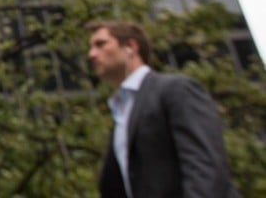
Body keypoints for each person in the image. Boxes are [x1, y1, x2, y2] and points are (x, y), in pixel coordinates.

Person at [86, 19, 239, 198]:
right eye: (91, 47)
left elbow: (205, 166)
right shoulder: (120, 113)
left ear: (131, 46)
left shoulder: (176, 89)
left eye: (100, 44)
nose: (91, 54)